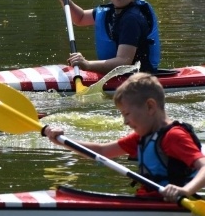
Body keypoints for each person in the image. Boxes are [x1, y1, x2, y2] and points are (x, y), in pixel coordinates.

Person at [43, 73, 205, 202]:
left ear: (150, 106)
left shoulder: (174, 136)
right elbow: (102, 151)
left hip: (172, 205)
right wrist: (61, 141)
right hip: (147, 201)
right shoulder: (143, 137)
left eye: (127, 114)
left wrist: (186, 191)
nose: (125, 121)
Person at [57, 0, 160, 74]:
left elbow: (123, 62)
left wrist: (87, 64)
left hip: (138, 80)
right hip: (117, 76)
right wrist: (65, 0)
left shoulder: (133, 18)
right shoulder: (109, 12)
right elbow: (80, 18)